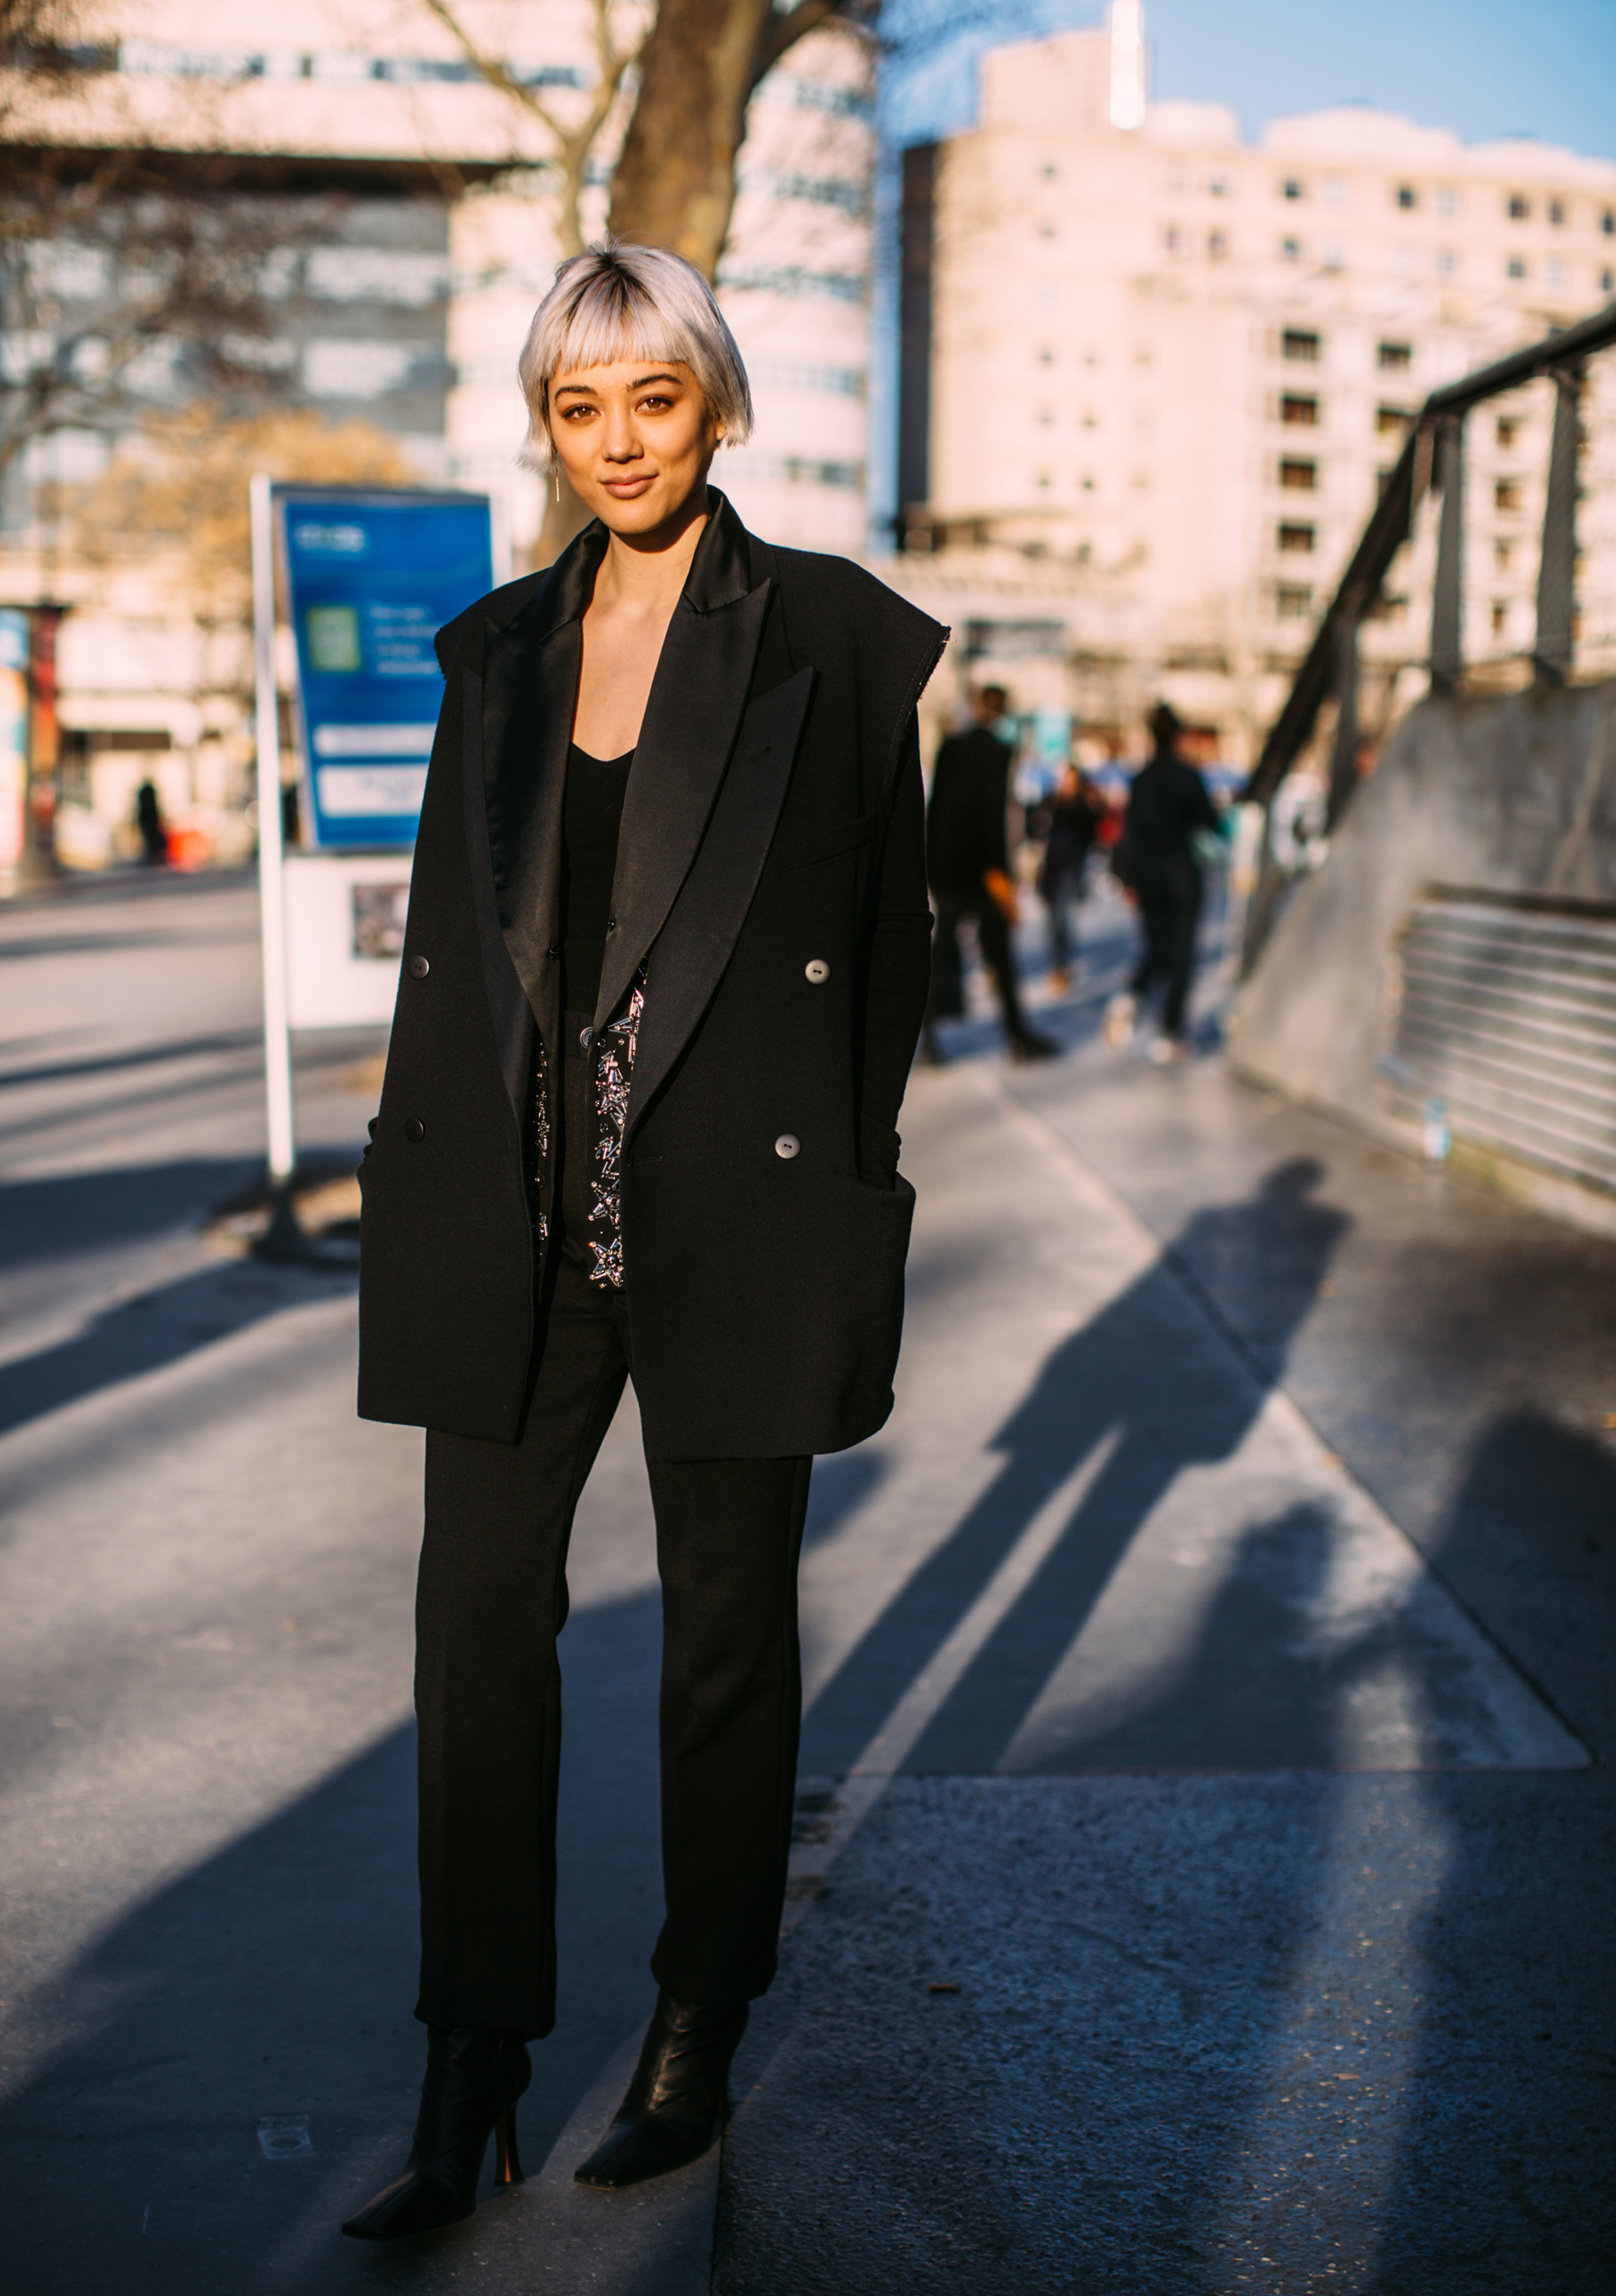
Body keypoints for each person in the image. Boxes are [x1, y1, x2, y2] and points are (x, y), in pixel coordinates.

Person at [343, 243, 945, 2243]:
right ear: (549, 423)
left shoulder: (839, 643)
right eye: (579, 406)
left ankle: (698, 2018)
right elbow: (453, 959)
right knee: (474, 1635)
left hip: (734, 1213)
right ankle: (471, 2052)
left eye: (653, 400)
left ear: (720, 404)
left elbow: (887, 969)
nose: (617, 443)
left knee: (721, 1643)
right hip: (509, 1226)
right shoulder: (491, 656)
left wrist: (851, 1201)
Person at [921, 685, 1057, 1064]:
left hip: (949, 869)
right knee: (999, 954)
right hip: (984, 871)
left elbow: (936, 811)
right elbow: (997, 818)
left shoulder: (950, 747)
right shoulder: (999, 753)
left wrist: (932, 866)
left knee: (941, 952)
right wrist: (1001, 873)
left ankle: (927, 1037)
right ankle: (1017, 1036)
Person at [1105, 703, 1221, 1064]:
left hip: (1148, 877)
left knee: (1156, 949)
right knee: (1182, 954)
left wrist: (1126, 878)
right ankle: (1170, 1032)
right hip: (1183, 875)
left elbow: (1130, 834)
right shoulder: (1188, 777)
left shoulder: (1141, 780)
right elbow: (1211, 822)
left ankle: (1133, 995)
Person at [1033, 761, 1102, 993]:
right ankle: (1058, 963)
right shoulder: (1052, 802)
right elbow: (1036, 827)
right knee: (1052, 919)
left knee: (1061, 916)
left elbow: (1092, 833)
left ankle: (1061, 965)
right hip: (1053, 868)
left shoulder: (1083, 806)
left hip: (1072, 868)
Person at [135, 777, 167, 864]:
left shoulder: (144, 795)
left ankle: (154, 856)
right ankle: (154, 857)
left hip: (147, 818)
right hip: (150, 818)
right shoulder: (149, 795)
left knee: (151, 838)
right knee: (152, 838)